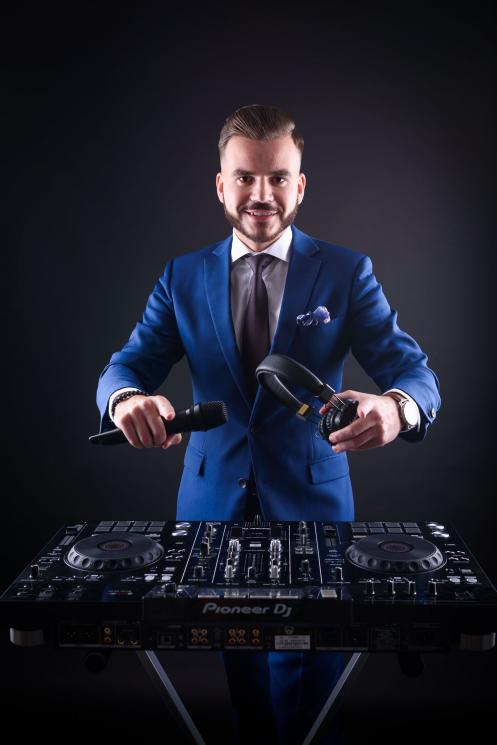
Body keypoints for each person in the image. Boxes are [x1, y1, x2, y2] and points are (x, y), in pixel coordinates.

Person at [96, 104, 441, 744]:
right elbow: (125, 367)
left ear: (300, 185)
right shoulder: (180, 277)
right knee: (246, 699)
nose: (262, 194)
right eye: (245, 177)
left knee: (311, 708)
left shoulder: (346, 271)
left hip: (314, 515)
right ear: (220, 185)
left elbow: (415, 373)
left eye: (278, 177)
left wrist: (396, 409)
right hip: (211, 517)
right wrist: (125, 401)